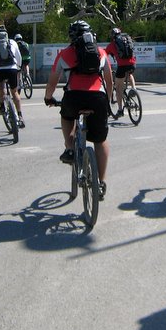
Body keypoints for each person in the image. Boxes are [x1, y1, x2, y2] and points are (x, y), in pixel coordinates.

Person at [44, 20, 115, 199]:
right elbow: (109, 80)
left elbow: (52, 80)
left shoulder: (65, 54)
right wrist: (109, 99)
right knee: (100, 140)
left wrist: (48, 97)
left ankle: (69, 148)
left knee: (66, 117)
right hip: (97, 98)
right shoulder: (101, 52)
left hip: (73, 97)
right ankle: (101, 182)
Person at [105, 27, 137, 119]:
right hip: (132, 64)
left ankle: (120, 110)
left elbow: (104, 54)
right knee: (130, 74)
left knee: (118, 88)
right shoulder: (127, 40)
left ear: (112, 36)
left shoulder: (112, 45)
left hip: (122, 66)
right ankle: (134, 89)